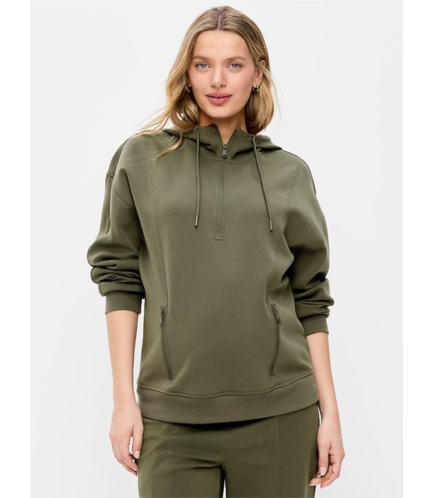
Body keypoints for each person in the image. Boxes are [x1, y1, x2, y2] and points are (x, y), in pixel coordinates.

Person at [87, 6, 345, 497]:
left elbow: (310, 296)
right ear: (187, 73)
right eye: (203, 64)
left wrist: (329, 412)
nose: (218, 80)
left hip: (280, 415)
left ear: (258, 74)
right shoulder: (141, 159)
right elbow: (118, 275)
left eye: (235, 64)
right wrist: (124, 401)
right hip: (171, 418)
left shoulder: (289, 173)